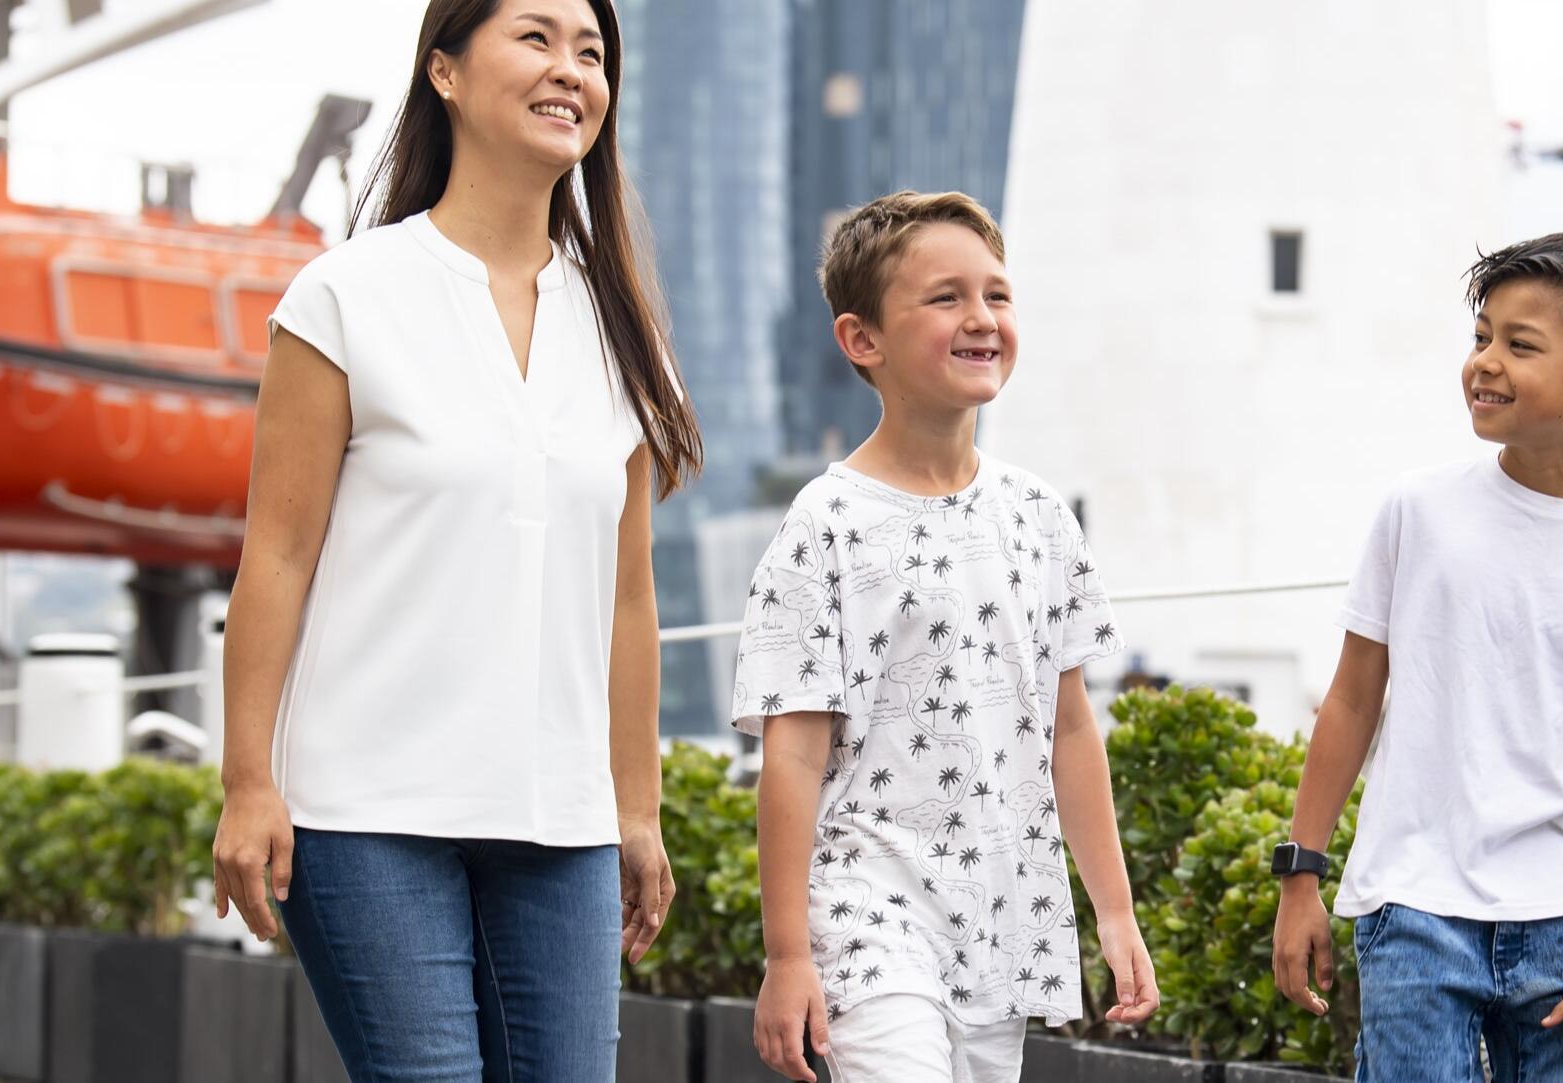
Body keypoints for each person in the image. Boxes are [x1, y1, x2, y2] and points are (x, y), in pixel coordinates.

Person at [211, 0, 697, 1077]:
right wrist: (250, 781)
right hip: (364, 809)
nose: (570, 68)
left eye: (591, 51)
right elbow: (276, 558)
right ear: (443, 70)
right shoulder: (343, 296)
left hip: (560, 821)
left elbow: (626, 596)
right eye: (536, 37)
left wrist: (636, 807)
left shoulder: (619, 324)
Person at [730, 191, 1160, 1082]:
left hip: (1000, 913)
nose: (980, 318)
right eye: (945, 297)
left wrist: (1113, 912)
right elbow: (793, 757)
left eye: (996, 295)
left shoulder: (1040, 516)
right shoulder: (827, 523)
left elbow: (1069, 728)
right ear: (862, 339)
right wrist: (787, 955)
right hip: (867, 903)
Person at [1270, 231, 1563, 1082]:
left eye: (1520, 345)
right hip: (1413, 911)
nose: (1485, 363)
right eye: (1482, 337)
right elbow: (1352, 701)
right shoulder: (1418, 511)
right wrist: (1301, 877)